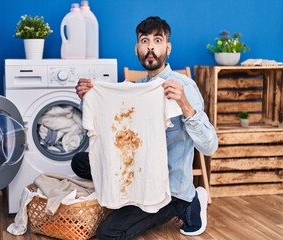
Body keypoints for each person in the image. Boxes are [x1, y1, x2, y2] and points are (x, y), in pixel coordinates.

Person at [72, 16, 218, 239]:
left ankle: (187, 203)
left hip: (168, 188)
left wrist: (185, 105)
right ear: (137, 49)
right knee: (80, 162)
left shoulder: (183, 87)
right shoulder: (135, 89)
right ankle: (128, 197)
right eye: (144, 40)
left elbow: (210, 146)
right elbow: (112, 131)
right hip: (139, 175)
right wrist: (90, 98)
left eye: (157, 40)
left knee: (109, 233)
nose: (150, 47)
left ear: (167, 48)